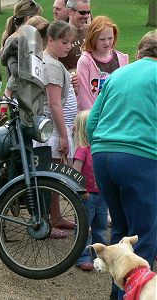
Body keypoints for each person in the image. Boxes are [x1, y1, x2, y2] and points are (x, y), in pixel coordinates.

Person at [86, 29, 157, 300]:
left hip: (103, 155)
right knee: (144, 235)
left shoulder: (116, 74)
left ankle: (117, 294)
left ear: (139, 53)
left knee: (121, 234)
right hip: (141, 157)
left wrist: (101, 148)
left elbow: (92, 122)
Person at [33, 20, 77, 238]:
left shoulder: (51, 60)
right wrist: (62, 134)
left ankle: (56, 216)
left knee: (54, 177)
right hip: (52, 131)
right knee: (51, 178)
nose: (68, 46)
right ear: (50, 40)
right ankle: (48, 222)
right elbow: (54, 103)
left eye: (70, 42)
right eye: (64, 41)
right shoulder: (50, 64)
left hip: (52, 128)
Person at [72, 110, 107, 271]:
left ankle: (101, 255)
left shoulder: (98, 148)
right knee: (84, 227)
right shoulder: (83, 150)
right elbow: (75, 174)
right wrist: (80, 191)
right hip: (87, 196)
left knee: (100, 227)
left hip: (101, 195)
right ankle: (82, 256)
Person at [76, 16, 128, 111]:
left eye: (110, 38)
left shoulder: (122, 59)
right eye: (102, 39)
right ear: (92, 39)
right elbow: (84, 97)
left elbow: (125, 91)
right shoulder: (85, 61)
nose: (107, 43)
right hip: (95, 116)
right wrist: (95, 119)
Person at [0, 0, 43, 102]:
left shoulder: (30, 38)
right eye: (38, 18)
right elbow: (15, 71)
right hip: (19, 98)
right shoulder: (13, 40)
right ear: (29, 19)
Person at [59, 0, 91, 72]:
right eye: (82, 12)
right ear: (70, 11)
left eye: (88, 12)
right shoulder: (60, 34)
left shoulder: (91, 30)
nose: (86, 16)